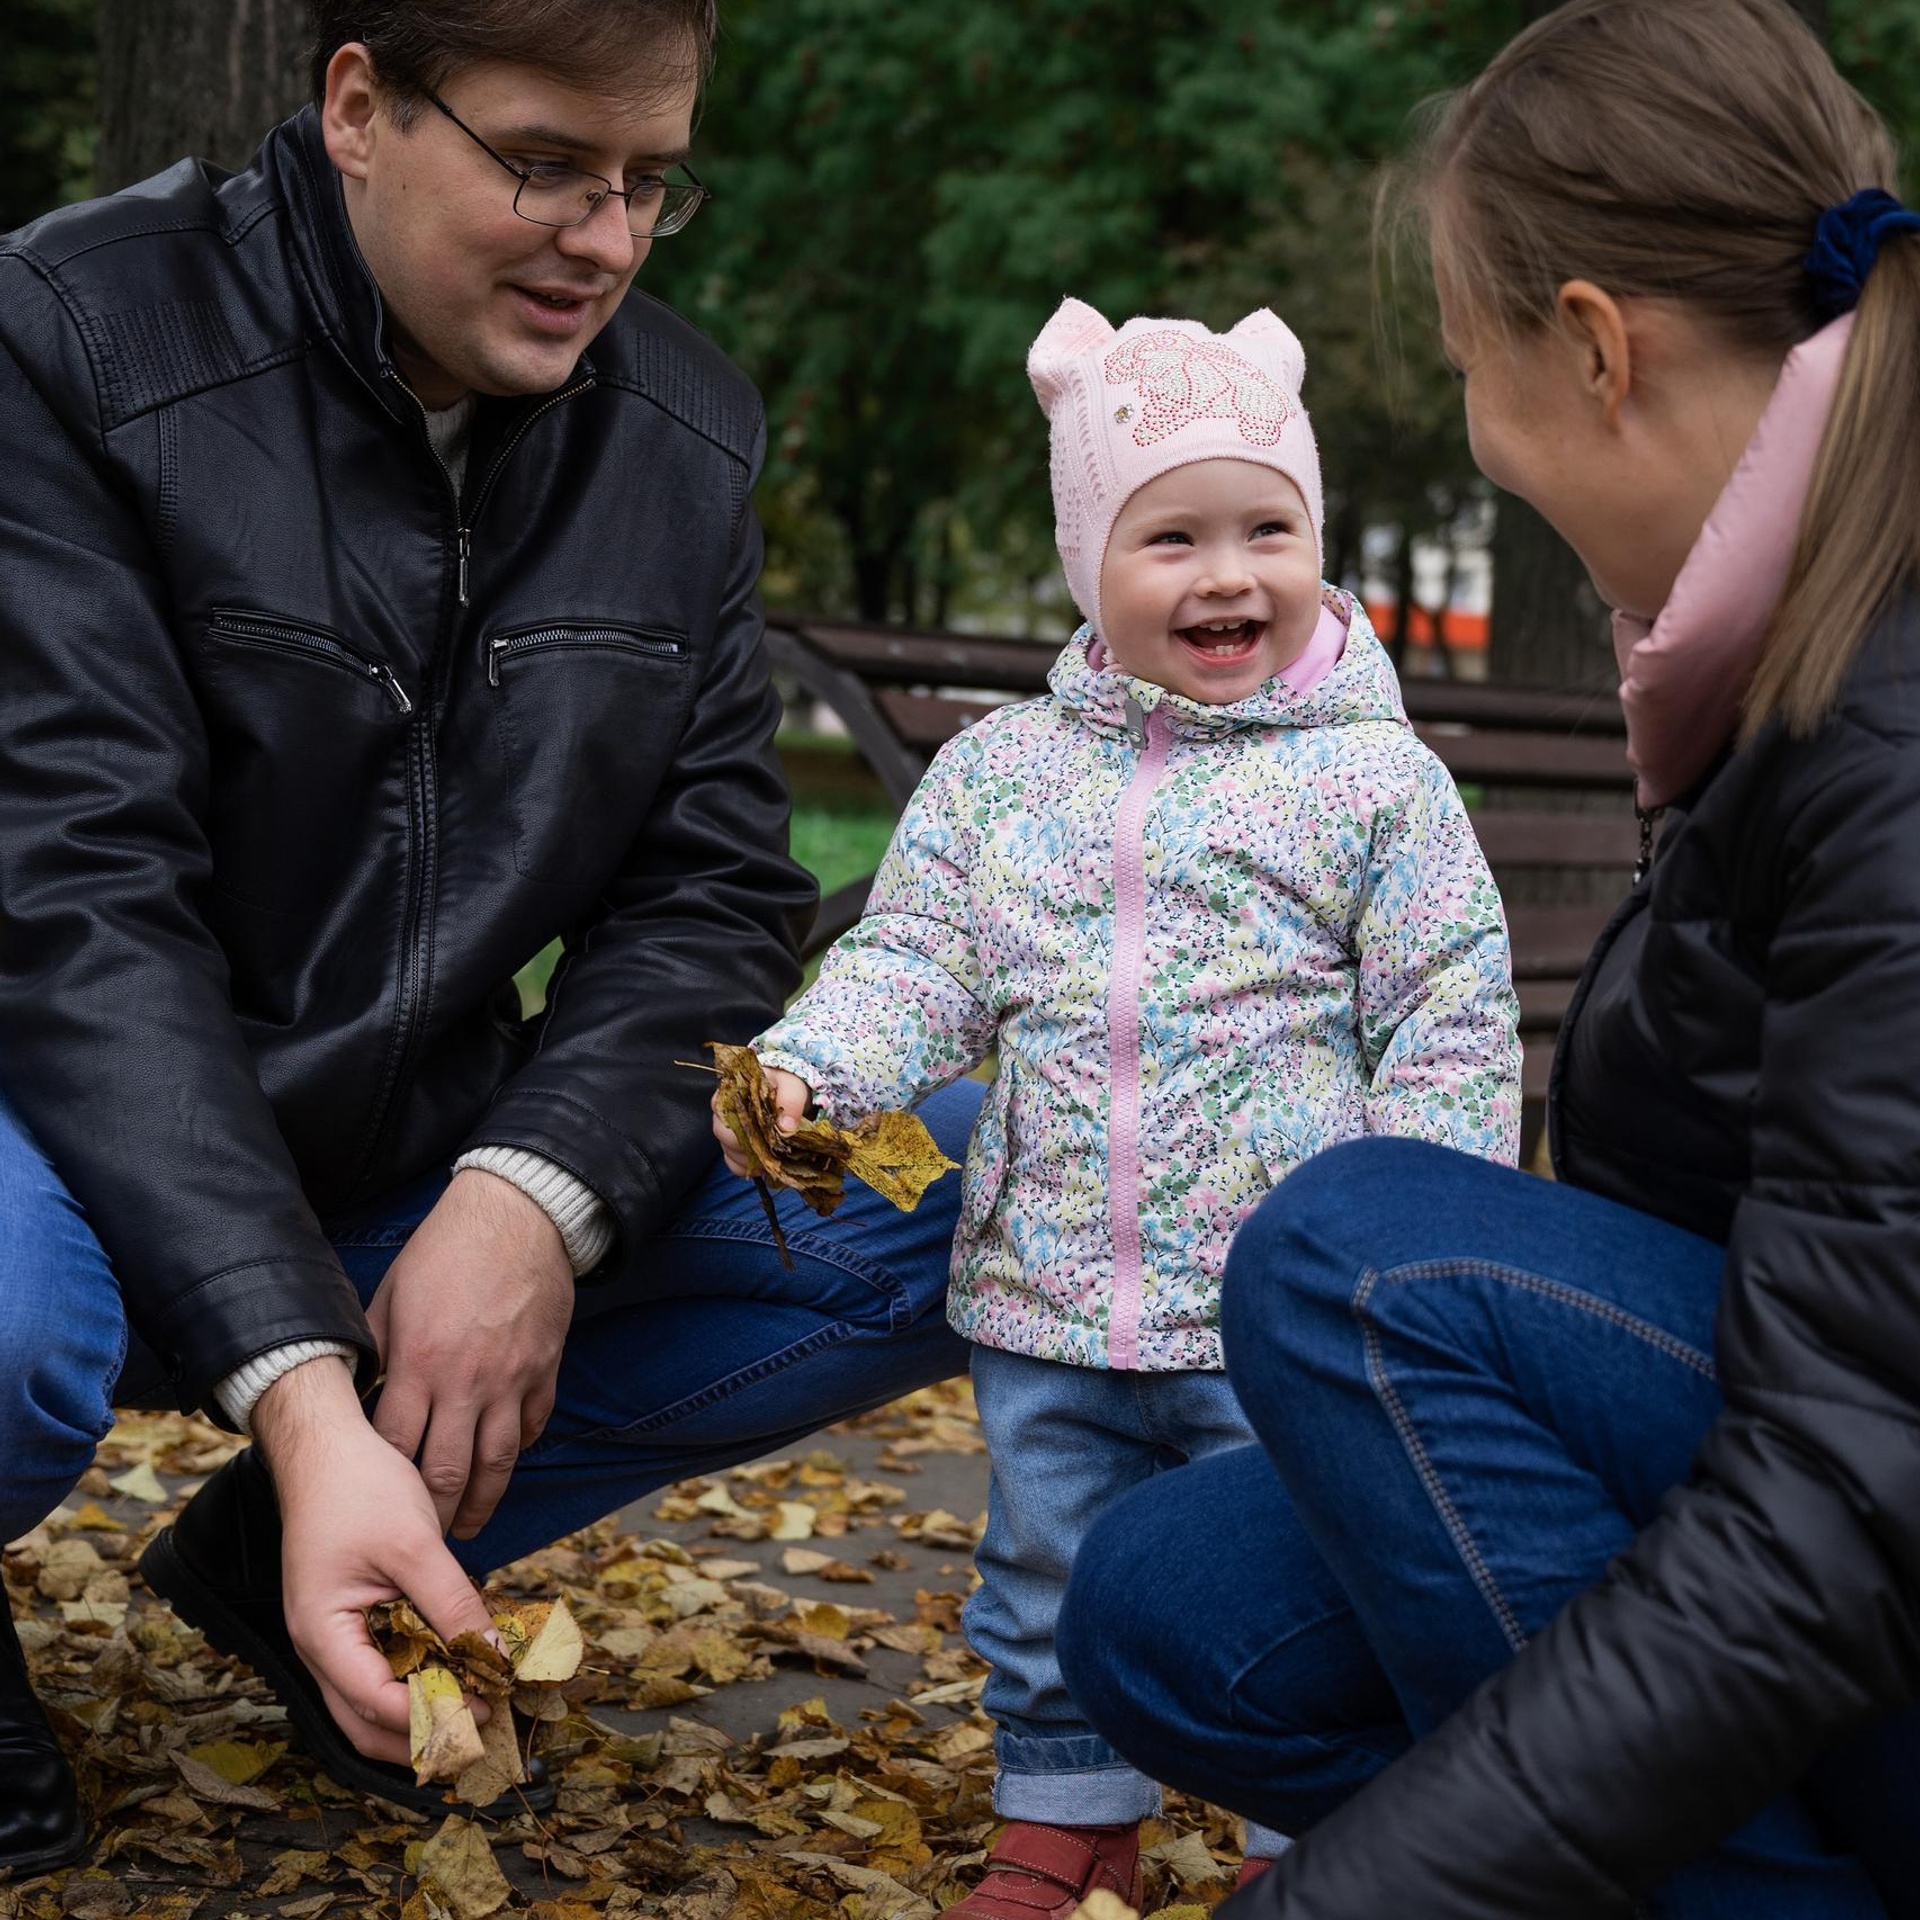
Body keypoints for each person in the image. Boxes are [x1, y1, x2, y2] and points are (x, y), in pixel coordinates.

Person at [0, 0, 981, 1878]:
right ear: (358, 104)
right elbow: (78, 901)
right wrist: (302, 1389)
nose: (605, 240)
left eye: (647, 186)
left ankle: (302, 1565)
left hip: (410, 1159)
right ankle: (326, 1479)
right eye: (544, 165)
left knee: (969, 1189)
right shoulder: (69, 338)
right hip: (62, 1145)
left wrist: (532, 1195)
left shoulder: (683, 437)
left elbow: (707, 895)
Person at [1053, 1, 1920, 1914]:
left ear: (1597, 347)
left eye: (1467, 367)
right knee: (1173, 1604)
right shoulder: (1802, 624)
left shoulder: (1887, 713)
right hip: (1835, 1473)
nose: (1473, 428)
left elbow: (1850, 1502)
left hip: (1868, 1538)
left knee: (1356, 1264)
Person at [713, 298, 1523, 1919]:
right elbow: (920, 954)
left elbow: (1450, 1015)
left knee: (1301, 1570)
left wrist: (1407, 1239)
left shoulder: (1376, 783)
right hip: (1050, 1286)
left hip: (1277, 1311)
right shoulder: (1007, 776)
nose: (1229, 574)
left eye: (1268, 529)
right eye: (1172, 537)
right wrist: (820, 1068)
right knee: (1046, 1571)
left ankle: (1308, 1833)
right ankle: (1066, 1820)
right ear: (1091, 559)